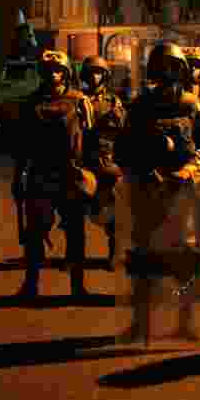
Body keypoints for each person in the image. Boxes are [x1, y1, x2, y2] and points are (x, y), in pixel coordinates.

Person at [113, 42, 200, 342]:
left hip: (183, 191)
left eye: (174, 66)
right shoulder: (141, 106)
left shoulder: (191, 105)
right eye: (163, 66)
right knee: (143, 258)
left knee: (185, 261)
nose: (168, 71)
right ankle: (139, 321)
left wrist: (188, 171)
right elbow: (125, 148)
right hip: (149, 188)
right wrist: (146, 171)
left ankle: (185, 321)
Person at [11, 49, 96, 299]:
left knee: (76, 234)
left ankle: (78, 287)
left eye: (58, 70)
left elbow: (90, 140)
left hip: (70, 173)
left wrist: (91, 174)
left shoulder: (80, 101)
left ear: (67, 73)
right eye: (48, 71)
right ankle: (31, 284)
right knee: (35, 234)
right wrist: (18, 177)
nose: (53, 75)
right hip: (40, 173)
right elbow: (22, 145)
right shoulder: (30, 103)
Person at [79, 55, 125, 267]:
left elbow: (123, 132)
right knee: (74, 212)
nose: (94, 76)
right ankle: (75, 256)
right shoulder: (77, 99)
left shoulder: (113, 102)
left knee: (114, 212)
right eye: (90, 72)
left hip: (107, 160)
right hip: (81, 160)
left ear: (105, 75)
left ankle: (113, 253)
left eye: (98, 72)